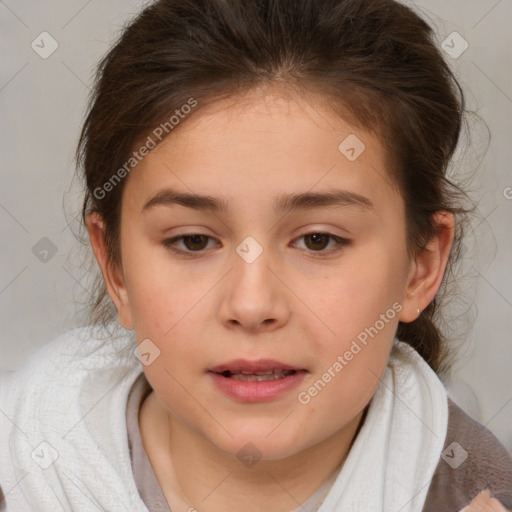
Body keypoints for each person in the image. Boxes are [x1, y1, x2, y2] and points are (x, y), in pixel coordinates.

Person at [1, 0, 511, 510]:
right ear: (115, 267)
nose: (251, 304)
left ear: (420, 267)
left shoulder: (481, 495)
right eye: (193, 241)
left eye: (318, 240)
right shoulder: (20, 470)